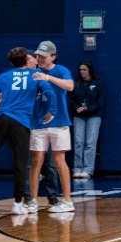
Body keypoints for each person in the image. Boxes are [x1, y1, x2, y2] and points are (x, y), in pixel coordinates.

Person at [0, 48, 38, 216]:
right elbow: (48, 94)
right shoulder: (36, 76)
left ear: (12, 62)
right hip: (21, 122)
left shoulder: (5, 76)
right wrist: (49, 111)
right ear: (26, 61)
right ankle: (18, 203)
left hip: (2, 118)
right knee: (20, 164)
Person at [28, 42, 77, 218]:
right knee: (37, 160)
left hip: (60, 121)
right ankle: (32, 200)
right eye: (38, 55)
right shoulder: (33, 73)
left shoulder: (61, 70)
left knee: (59, 160)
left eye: (43, 55)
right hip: (38, 123)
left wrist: (48, 78)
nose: (39, 58)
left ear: (53, 56)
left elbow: (70, 86)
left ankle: (67, 200)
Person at [71, 61, 106, 181]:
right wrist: (77, 108)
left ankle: (88, 169)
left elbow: (101, 101)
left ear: (89, 70)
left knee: (90, 142)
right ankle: (77, 168)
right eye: (80, 70)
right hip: (79, 116)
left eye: (84, 69)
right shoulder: (77, 84)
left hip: (94, 116)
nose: (82, 72)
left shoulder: (97, 83)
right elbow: (71, 100)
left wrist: (89, 108)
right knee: (78, 141)